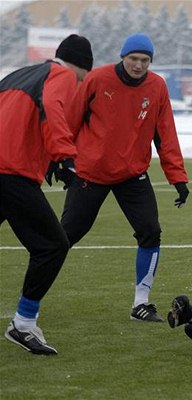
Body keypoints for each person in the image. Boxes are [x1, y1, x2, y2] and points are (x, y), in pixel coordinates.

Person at [61, 33, 189, 322]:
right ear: (123, 57)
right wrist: (61, 159)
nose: (138, 65)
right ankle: (32, 298)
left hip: (132, 174)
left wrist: (177, 177)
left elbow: (165, 133)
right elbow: (70, 119)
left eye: (145, 60)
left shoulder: (157, 86)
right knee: (64, 236)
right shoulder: (97, 79)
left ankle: (141, 303)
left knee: (150, 231)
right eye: (133, 59)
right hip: (90, 173)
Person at [0, 34, 94, 355]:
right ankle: (23, 324)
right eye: (84, 77)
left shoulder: (20, 74)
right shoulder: (64, 75)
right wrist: (65, 157)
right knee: (53, 245)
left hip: (5, 167)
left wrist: (51, 155)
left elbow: (29, 113)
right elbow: (53, 108)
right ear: (81, 68)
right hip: (11, 172)